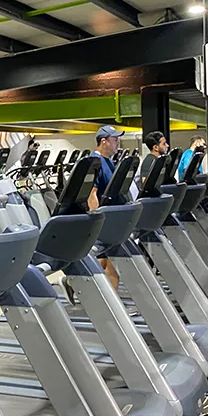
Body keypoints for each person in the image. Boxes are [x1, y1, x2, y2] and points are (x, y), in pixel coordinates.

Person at [63, 125, 123, 304]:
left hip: (113, 219)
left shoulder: (109, 162)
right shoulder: (95, 162)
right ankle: (111, 307)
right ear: (104, 141)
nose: (118, 143)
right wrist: (98, 220)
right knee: (111, 267)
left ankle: (71, 282)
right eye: (115, 140)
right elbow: (92, 194)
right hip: (104, 220)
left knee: (103, 263)